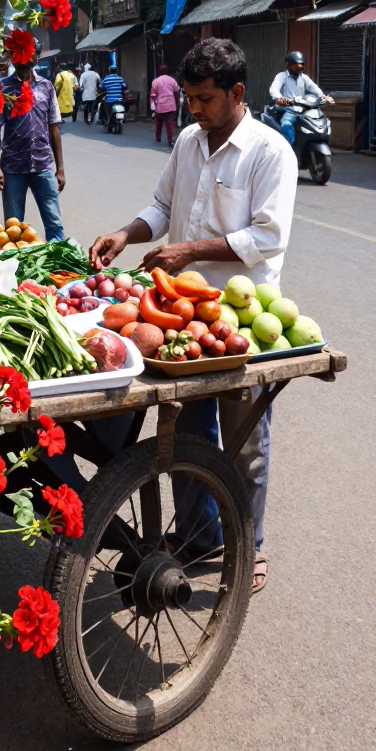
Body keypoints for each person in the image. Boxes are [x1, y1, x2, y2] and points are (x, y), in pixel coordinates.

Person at [90, 38, 298, 595]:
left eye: (205, 99)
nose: (195, 109)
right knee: (188, 431)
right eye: (189, 98)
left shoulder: (270, 152)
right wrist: (126, 233)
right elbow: (161, 207)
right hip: (181, 314)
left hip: (237, 318)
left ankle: (249, 545)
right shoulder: (187, 140)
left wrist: (191, 250)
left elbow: (267, 237)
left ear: (236, 92)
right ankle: (202, 536)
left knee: (245, 441)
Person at [0, 49, 65, 240]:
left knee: (54, 224)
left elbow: (54, 129)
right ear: (13, 59)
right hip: (12, 168)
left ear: (35, 58)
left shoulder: (47, 87)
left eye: (28, 55)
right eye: (19, 56)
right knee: (13, 229)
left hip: (43, 166)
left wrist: (60, 168)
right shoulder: (1, 88)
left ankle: (60, 268)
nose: (24, 60)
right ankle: (17, 267)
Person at [269, 51, 331, 146]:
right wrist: (279, 98)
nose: (299, 67)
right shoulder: (282, 76)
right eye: (296, 65)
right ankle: (290, 150)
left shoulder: (304, 78)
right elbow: (274, 88)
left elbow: (314, 87)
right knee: (287, 123)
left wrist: (323, 96)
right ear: (290, 64)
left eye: (301, 65)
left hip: (303, 109)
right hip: (289, 108)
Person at [150, 64, 180, 148]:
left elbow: (153, 95)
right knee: (170, 124)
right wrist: (176, 102)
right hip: (171, 105)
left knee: (159, 122)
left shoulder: (156, 81)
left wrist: (153, 107)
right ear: (167, 72)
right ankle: (171, 140)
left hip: (160, 105)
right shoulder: (172, 80)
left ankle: (158, 137)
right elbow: (177, 91)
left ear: (159, 72)